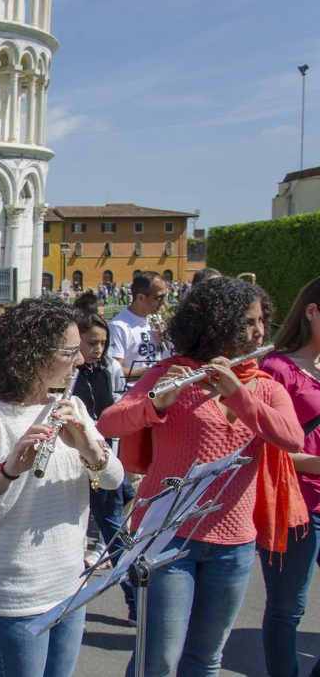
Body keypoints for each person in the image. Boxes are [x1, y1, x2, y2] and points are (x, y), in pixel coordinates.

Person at [98, 276, 306, 677]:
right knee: (158, 659)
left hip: (234, 543)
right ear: (217, 323)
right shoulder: (171, 374)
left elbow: (291, 438)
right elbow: (110, 423)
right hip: (169, 537)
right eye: (248, 322)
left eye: (261, 320)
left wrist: (237, 394)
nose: (259, 331)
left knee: (206, 659)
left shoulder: (262, 385)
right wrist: (156, 402)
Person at [0, 297, 123, 677]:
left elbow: (114, 479)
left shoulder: (73, 406)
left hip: (69, 585)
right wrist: (9, 469)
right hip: (13, 595)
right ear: (33, 355)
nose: (80, 361)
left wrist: (88, 447)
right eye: (70, 352)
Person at [257, 276, 320, 677]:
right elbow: (262, 448)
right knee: (288, 608)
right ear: (313, 312)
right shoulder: (277, 368)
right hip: (296, 505)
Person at [73, 311, 136, 619]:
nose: (98, 348)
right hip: (73, 462)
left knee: (113, 528)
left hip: (102, 457)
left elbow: (118, 405)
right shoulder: (67, 372)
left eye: (102, 343)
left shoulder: (108, 368)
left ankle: (137, 596)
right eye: (91, 342)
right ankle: (67, 600)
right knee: (73, 530)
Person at [108, 272, 170, 382]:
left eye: (165, 296)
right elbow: (114, 371)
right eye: (159, 297)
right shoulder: (118, 326)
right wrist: (151, 372)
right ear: (140, 297)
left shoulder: (155, 321)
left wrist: (167, 342)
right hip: (134, 392)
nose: (163, 302)